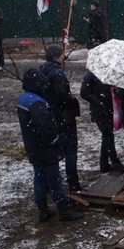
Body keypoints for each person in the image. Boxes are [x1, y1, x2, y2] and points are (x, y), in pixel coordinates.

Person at [16, 69, 83, 223]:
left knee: (39, 178)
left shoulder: (23, 99)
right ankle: (64, 211)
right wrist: (55, 140)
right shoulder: (37, 103)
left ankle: (43, 210)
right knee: (54, 180)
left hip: (33, 148)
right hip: (45, 149)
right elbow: (46, 127)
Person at [39, 44, 82, 192]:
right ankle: (73, 184)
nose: (64, 57)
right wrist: (71, 101)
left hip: (52, 116)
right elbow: (62, 97)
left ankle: (52, 184)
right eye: (62, 54)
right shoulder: (57, 74)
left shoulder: (43, 70)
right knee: (70, 151)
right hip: (64, 117)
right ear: (57, 56)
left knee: (56, 152)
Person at [80, 70, 124, 173]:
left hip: (109, 109)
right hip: (100, 111)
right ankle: (115, 162)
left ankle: (104, 164)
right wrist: (98, 102)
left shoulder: (108, 73)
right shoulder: (91, 75)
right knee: (108, 135)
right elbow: (83, 92)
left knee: (107, 136)